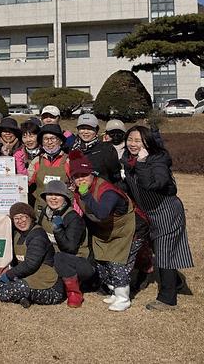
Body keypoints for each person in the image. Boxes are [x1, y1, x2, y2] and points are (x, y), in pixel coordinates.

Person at [120, 126, 194, 311]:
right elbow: (131, 186)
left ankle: (167, 299)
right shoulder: (128, 159)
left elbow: (154, 184)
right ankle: (176, 283)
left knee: (164, 251)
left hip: (166, 211)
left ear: (147, 142)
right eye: (130, 140)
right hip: (149, 213)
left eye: (138, 141)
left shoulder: (158, 159)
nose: (133, 144)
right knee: (159, 249)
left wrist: (142, 162)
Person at [71, 151, 138, 312]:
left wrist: (85, 195)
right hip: (106, 232)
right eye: (76, 176)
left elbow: (102, 213)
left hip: (126, 230)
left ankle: (123, 298)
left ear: (92, 174)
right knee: (102, 261)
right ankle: (114, 291)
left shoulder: (107, 191)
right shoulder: (80, 190)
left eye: (84, 175)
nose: (81, 179)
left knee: (117, 262)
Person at [0, 202, 64, 308]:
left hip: (50, 286)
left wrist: (8, 275)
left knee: (16, 288)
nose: (20, 221)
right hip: (32, 277)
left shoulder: (38, 236)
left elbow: (30, 264)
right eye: (16, 218)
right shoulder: (18, 234)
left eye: (23, 217)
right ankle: (23, 298)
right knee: (16, 283)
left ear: (31, 217)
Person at [37, 180, 93, 307]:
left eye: (58, 195)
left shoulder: (73, 218)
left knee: (60, 258)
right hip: (53, 258)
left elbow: (70, 248)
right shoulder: (44, 213)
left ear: (65, 198)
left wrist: (58, 230)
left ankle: (74, 293)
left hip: (77, 262)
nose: (53, 198)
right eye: (50, 194)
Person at [29, 124, 70, 213]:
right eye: (46, 139)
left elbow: (80, 184)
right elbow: (26, 183)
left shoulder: (68, 161)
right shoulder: (36, 161)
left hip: (64, 210)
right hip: (41, 210)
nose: (49, 142)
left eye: (53, 138)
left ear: (60, 141)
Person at [70, 113, 121, 183]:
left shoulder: (106, 148)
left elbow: (116, 174)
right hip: (80, 188)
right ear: (78, 130)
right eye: (82, 128)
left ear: (96, 130)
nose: (86, 132)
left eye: (90, 129)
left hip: (100, 187)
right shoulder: (72, 148)